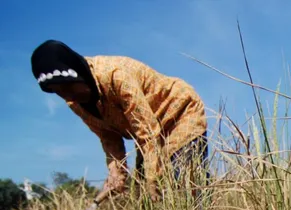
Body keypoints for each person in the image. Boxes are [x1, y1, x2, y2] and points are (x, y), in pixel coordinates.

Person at [31, 40, 208, 201]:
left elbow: (147, 130)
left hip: (179, 114)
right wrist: (116, 173)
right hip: (148, 133)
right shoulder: (75, 103)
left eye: (68, 86)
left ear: (79, 73)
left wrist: (152, 179)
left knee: (182, 188)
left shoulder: (116, 76)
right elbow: (109, 137)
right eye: (58, 91)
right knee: (142, 199)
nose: (67, 95)